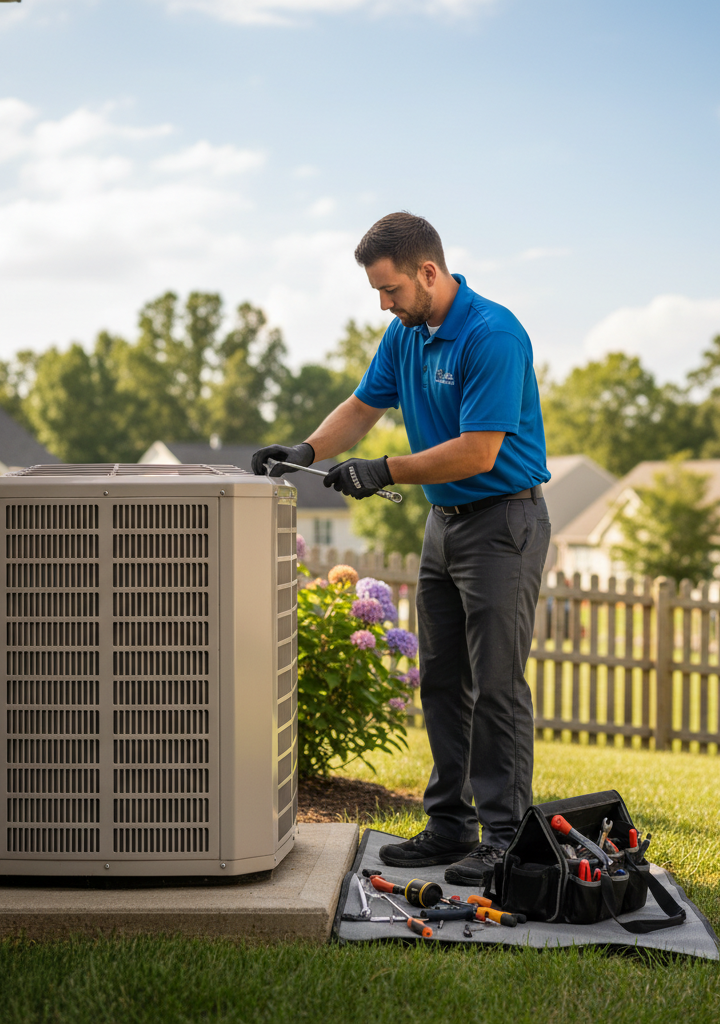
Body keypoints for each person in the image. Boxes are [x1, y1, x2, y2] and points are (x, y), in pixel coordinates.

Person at [252, 212, 551, 885]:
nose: (384, 305)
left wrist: (383, 470)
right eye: (377, 294)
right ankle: (449, 825)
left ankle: (504, 837)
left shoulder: (492, 334)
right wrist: (306, 449)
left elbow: (480, 451)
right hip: (445, 524)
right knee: (444, 681)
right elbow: (362, 407)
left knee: (497, 686)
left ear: (428, 271)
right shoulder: (405, 335)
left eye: (390, 291)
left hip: (505, 523)